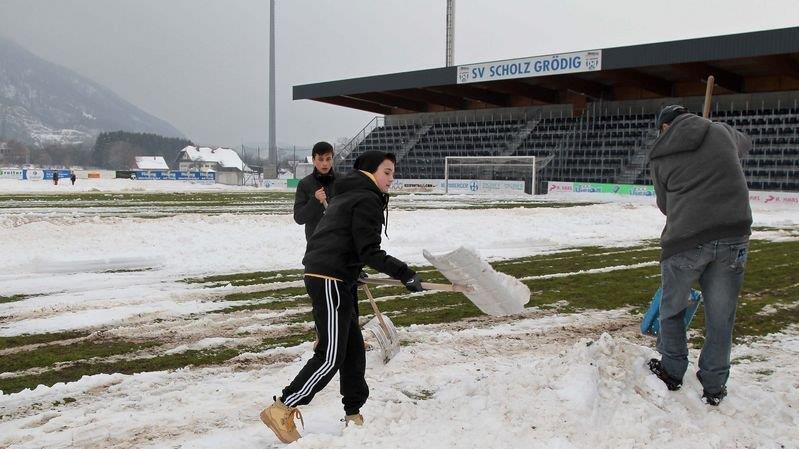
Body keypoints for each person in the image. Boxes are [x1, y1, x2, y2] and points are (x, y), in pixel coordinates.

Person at [260, 150, 424, 443]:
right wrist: (404, 273)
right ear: (372, 172)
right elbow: (369, 250)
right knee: (331, 354)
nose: (391, 178)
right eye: (387, 172)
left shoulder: (349, 194)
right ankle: (282, 407)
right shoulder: (367, 199)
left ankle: (353, 412)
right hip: (330, 279)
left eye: (393, 173)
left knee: (353, 350)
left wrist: (352, 268)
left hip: (335, 275)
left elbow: (339, 237)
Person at [646, 105, 752, 406]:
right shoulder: (720, 131)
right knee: (721, 317)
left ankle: (672, 370)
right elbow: (745, 143)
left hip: (685, 240)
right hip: (734, 234)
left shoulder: (660, 154)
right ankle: (714, 385)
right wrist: (715, 135)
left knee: (672, 309)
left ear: (664, 128)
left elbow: (665, 205)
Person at [293, 141, 335, 241]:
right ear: (313, 160)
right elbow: (299, 218)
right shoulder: (305, 184)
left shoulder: (342, 181)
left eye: (328, 159)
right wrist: (315, 201)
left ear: (332, 160)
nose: (325, 163)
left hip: (340, 244)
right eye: (320, 159)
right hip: (315, 244)